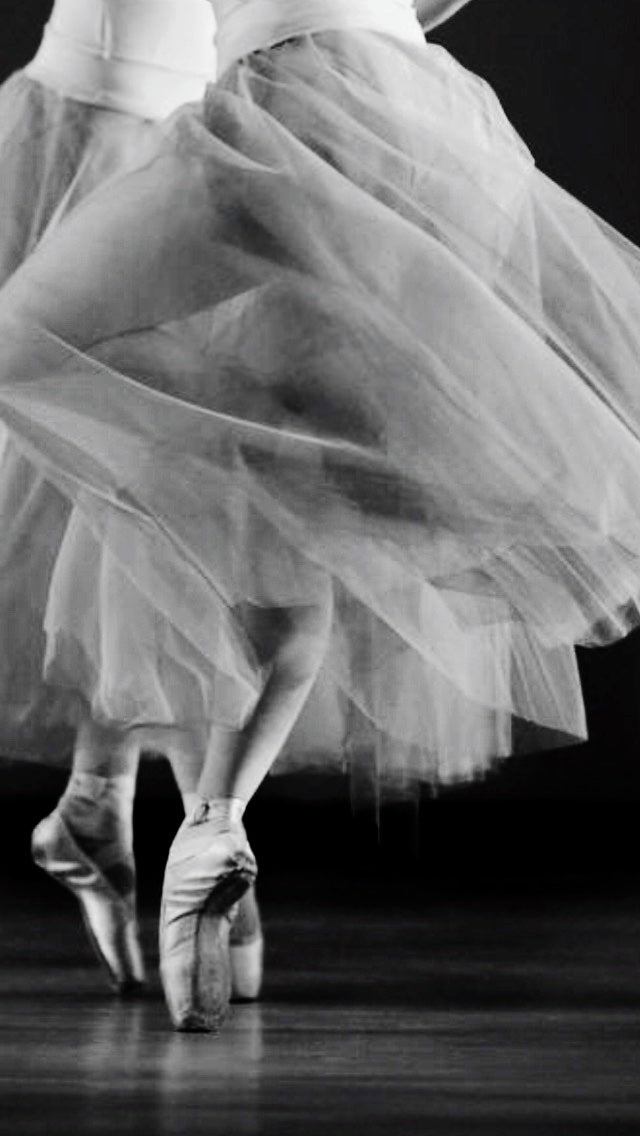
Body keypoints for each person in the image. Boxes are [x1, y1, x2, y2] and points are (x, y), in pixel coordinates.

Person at [1, 0, 639, 1032]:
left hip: (292, 106)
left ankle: (145, 800)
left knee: (47, 356)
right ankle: (210, 817)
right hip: (430, 123)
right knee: (296, 489)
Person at [0, 0, 262, 1002]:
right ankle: (148, 804)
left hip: (203, 137)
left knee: (208, 502)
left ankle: (131, 802)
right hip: (96, 127)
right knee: (116, 480)